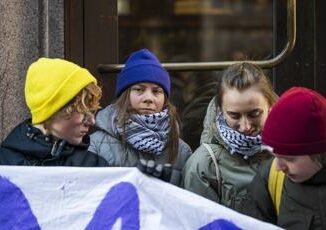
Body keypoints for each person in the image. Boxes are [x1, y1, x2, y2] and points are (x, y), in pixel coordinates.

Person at [182, 62, 278, 211]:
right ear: (220, 110)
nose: (245, 126)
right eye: (234, 115)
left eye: (254, 114)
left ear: (270, 106)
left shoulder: (291, 154)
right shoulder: (204, 166)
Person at [88, 48, 192, 186]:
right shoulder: (97, 144)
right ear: (125, 95)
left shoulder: (181, 150)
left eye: (156, 91)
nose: (149, 98)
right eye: (139, 89)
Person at [242, 87, 326, 229]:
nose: (278, 166)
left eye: (289, 158)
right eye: (274, 156)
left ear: (318, 153)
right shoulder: (270, 179)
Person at [0, 58, 108, 166]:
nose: (92, 121)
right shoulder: (4, 163)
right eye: (82, 111)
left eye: (91, 112)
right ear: (52, 111)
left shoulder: (94, 167)